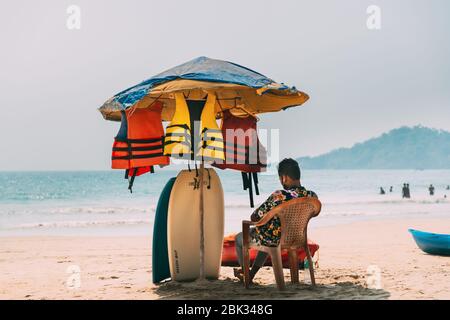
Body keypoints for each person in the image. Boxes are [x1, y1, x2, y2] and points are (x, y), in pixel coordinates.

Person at [233, 158, 318, 283]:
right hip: (297, 238)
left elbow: (254, 217)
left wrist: (268, 216)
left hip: (273, 239)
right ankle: (251, 274)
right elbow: (314, 212)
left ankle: (246, 274)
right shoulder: (311, 196)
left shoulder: (279, 196)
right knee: (269, 234)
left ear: (284, 177)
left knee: (239, 238)